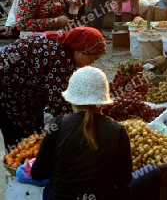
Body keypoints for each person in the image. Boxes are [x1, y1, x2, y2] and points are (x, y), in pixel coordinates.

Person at [31, 66, 132, 200]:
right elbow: (124, 179)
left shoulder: (59, 125)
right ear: (103, 102)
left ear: (73, 100)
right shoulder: (117, 130)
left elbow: (38, 173)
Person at [0, 27, 106, 147]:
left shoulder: (62, 47)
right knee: (20, 138)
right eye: (92, 58)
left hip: (24, 87)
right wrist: (78, 128)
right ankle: (20, 162)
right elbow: (58, 104)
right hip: (8, 90)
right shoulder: (58, 57)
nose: (93, 62)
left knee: (35, 132)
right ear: (78, 50)